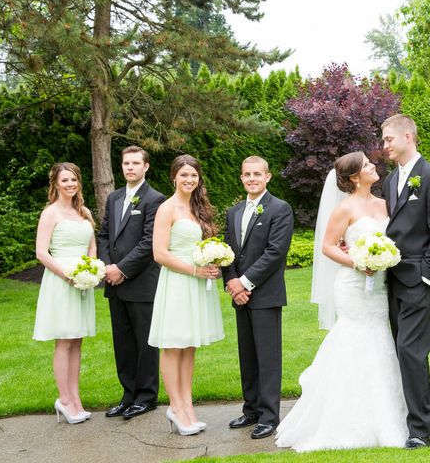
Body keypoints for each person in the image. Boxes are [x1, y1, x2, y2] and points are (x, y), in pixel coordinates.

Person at [275, 152, 408, 452]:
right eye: (366, 165)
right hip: (353, 285)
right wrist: (357, 262)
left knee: (380, 338)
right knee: (354, 339)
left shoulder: (384, 202)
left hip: (379, 288)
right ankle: (345, 417)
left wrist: (382, 259)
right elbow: (327, 246)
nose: (374, 166)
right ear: (353, 177)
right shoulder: (344, 207)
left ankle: (386, 413)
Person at [381, 114, 430, 449]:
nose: (384, 146)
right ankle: (427, 424)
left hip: (417, 280)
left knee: (410, 351)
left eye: (388, 140)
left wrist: (428, 276)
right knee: (408, 353)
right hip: (391, 280)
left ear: (408, 136)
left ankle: (419, 431)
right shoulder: (389, 181)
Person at [147, 154, 224, 435]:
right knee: (173, 344)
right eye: (184, 175)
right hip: (178, 282)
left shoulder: (198, 208)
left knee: (189, 345)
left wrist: (211, 261)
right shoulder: (166, 208)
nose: (189, 180)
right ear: (174, 178)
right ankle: (176, 407)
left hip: (197, 281)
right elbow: (159, 254)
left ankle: (188, 406)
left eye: (193, 175)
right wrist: (194, 270)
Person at [223, 156, 294, 440]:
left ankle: (268, 416)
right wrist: (231, 282)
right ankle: (251, 408)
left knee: (267, 357)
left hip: (265, 295)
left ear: (268, 177)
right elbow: (227, 251)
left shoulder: (279, 209)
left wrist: (244, 282)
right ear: (241, 178)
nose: (251, 178)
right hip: (240, 294)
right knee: (247, 355)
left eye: (257, 174)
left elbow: (275, 253)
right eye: (246, 174)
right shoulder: (234, 211)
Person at [97, 146, 166, 420]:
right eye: (126, 163)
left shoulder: (155, 199)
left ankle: (147, 397)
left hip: (141, 283)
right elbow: (103, 235)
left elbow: (149, 242)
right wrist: (106, 266)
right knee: (123, 343)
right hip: (114, 285)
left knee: (145, 344)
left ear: (146, 167)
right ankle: (128, 395)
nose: (130, 168)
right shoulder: (113, 198)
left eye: (136, 163)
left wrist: (122, 269)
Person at [32, 162, 97, 424]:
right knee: (64, 341)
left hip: (82, 283)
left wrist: (90, 268)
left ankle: (76, 398)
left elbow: (92, 246)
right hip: (61, 282)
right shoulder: (50, 213)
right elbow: (41, 252)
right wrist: (67, 275)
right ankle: (64, 399)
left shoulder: (84, 212)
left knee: (77, 339)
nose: (70, 184)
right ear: (56, 184)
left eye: (73, 180)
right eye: (65, 180)